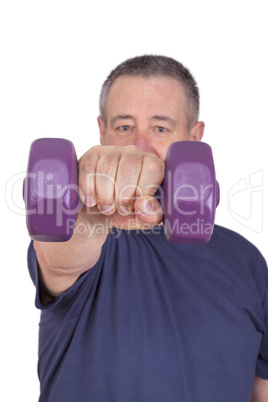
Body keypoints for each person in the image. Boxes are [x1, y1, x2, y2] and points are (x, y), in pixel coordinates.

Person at [27, 55, 268, 402]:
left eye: (160, 128)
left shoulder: (247, 260)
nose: (139, 147)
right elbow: (58, 257)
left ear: (194, 138)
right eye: (124, 127)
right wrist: (91, 211)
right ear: (102, 133)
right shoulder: (76, 231)